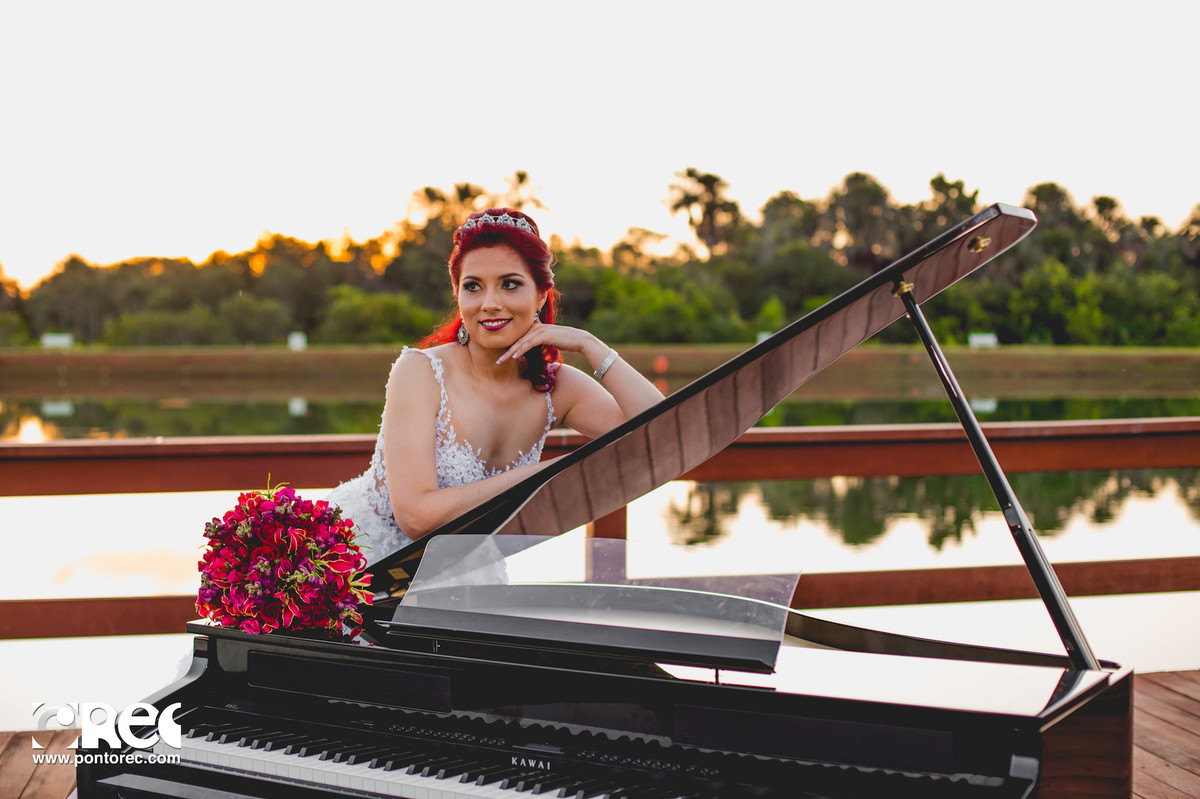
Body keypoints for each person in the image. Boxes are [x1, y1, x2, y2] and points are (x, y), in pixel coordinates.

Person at [328, 208, 664, 558]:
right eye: (473, 286)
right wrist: (542, 475)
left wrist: (589, 345)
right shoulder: (420, 371)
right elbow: (415, 516)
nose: (490, 304)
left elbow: (662, 433)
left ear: (540, 294)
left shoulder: (557, 388)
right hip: (359, 562)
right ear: (457, 293)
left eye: (510, 284)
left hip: (464, 567)